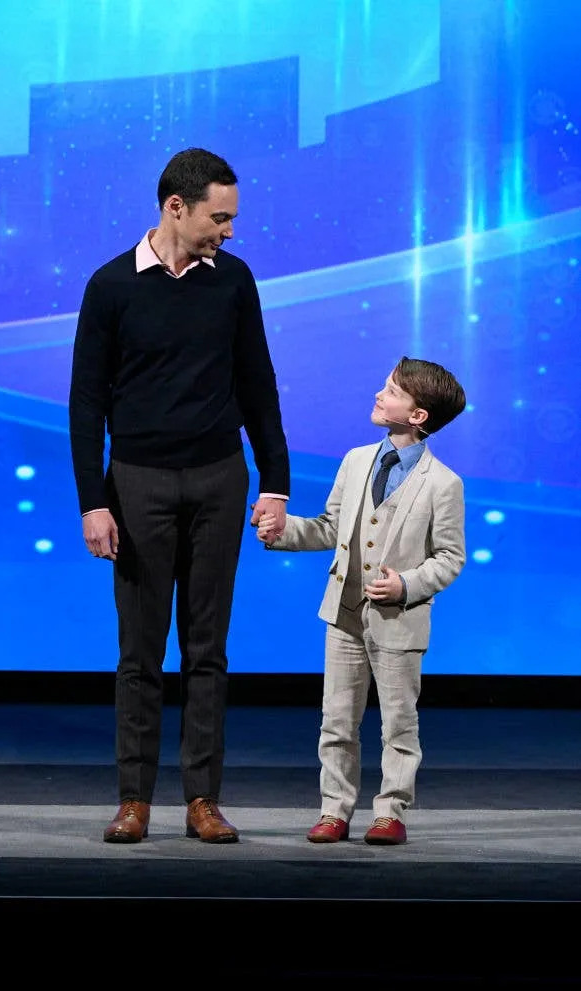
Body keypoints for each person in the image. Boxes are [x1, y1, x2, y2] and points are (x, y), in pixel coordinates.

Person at [69, 147, 289, 844]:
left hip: (220, 479)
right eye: (219, 218)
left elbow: (258, 385)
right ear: (176, 207)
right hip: (137, 484)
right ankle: (134, 798)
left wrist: (276, 483)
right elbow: (85, 403)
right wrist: (92, 500)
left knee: (207, 650)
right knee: (139, 653)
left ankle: (203, 800)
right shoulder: (111, 285)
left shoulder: (234, 281)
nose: (228, 231)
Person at [256, 356, 466, 845]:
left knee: (398, 723)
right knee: (337, 720)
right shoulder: (355, 461)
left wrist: (407, 584)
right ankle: (335, 810)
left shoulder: (443, 483)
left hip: (399, 621)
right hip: (344, 614)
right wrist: (283, 531)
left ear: (418, 416)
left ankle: (390, 811)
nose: (379, 394)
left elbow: (450, 557)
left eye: (392, 390)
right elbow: (330, 528)